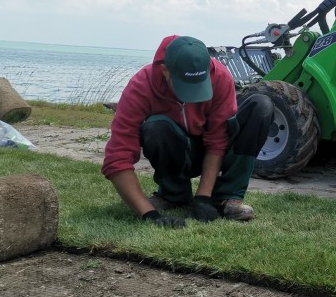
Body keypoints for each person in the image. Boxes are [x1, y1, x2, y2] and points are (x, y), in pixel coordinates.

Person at [101, 35, 273, 227]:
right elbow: (117, 157)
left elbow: (217, 139)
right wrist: (150, 215)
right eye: (185, 87)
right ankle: (173, 195)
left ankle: (226, 197)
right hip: (177, 148)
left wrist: (203, 197)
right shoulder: (141, 86)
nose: (193, 98)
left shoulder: (221, 76)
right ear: (165, 71)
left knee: (261, 105)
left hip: (211, 152)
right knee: (156, 127)